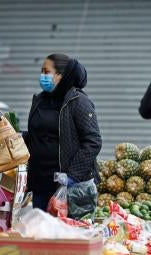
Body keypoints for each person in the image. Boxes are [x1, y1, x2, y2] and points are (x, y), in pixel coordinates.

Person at [25, 53, 102, 215]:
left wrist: (72, 176)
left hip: (69, 187)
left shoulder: (78, 101)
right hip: (40, 184)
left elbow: (93, 141)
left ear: (61, 76)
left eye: (47, 72)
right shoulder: (39, 100)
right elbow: (37, 135)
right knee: (42, 235)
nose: (42, 76)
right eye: (42, 71)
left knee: (69, 236)